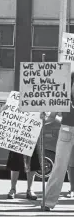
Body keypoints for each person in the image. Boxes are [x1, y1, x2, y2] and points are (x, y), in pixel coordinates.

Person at [41, 72, 74, 211]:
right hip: (66, 131)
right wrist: (44, 116)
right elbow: (52, 117)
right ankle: (48, 201)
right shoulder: (63, 97)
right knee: (59, 168)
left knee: (59, 168)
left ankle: (48, 202)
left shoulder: (64, 96)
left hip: (66, 131)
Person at [0, 104, 41, 200]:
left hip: (32, 135)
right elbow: (4, 118)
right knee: (15, 163)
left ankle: (30, 190)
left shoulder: (38, 101)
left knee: (32, 163)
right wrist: (2, 111)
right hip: (17, 135)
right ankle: (13, 189)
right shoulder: (15, 100)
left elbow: (46, 119)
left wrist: (43, 116)